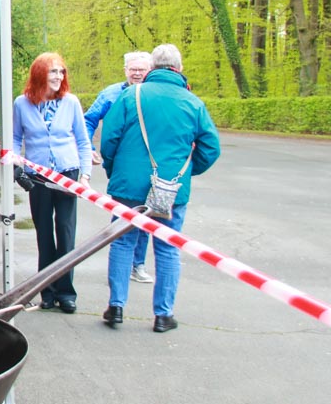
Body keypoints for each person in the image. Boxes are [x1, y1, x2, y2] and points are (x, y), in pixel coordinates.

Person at [100, 43, 221, 333]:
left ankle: (116, 307)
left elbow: (109, 140)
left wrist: (113, 170)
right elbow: (210, 147)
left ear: (153, 68)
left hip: (128, 188)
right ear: (179, 69)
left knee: (122, 242)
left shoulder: (131, 95)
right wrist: (189, 172)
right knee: (167, 249)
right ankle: (163, 315)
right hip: (171, 189)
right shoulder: (192, 103)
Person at [13, 52, 93, 314]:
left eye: (61, 72)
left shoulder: (70, 103)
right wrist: (17, 166)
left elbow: (83, 141)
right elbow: (15, 139)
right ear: (39, 75)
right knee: (44, 233)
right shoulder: (21, 104)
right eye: (53, 72)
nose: (59, 76)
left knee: (66, 233)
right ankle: (46, 291)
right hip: (39, 177)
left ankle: (66, 293)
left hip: (68, 174)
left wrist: (85, 177)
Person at [84, 51, 155, 284]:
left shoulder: (156, 95)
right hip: (119, 166)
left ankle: (137, 264)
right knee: (122, 218)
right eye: (132, 69)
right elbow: (89, 119)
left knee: (147, 217)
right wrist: (87, 147)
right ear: (125, 70)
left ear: (150, 70)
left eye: (141, 69)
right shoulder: (111, 93)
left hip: (151, 167)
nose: (136, 73)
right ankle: (121, 267)